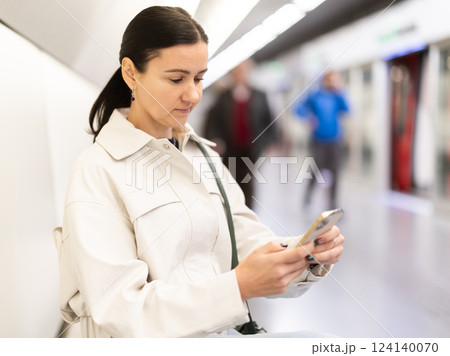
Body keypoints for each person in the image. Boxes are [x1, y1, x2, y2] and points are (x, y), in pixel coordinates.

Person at [54, 6, 344, 338]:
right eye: (176, 78)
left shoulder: (203, 155)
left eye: (199, 77)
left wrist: (303, 254)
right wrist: (237, 287)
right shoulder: (97, 171)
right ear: (131, 73)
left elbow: (246, 239)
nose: (193, 94)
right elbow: (121, 311)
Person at [204, 60, 278, 209]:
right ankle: (232, 211)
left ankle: (248, 212)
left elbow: (270, 120)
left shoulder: (259, 95)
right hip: (230, 148)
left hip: (252, 148)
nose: (240, 75)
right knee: (230, 180)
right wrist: (215, 140)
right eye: (237, 71)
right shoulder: (223, 97)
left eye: (243, 71)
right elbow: (213, 121)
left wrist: (271, 141)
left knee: (247, 181)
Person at [295, 71, 350, 210]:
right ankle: (308, 196)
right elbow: (298, 108)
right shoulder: (315, 95)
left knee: (335, 172)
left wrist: (340, 90)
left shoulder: (337, 96)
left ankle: (333, 203)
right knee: (316, 170)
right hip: (318, 140)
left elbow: (348, 109)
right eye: (330, 80)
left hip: (335, 139)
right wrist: (308, 117)